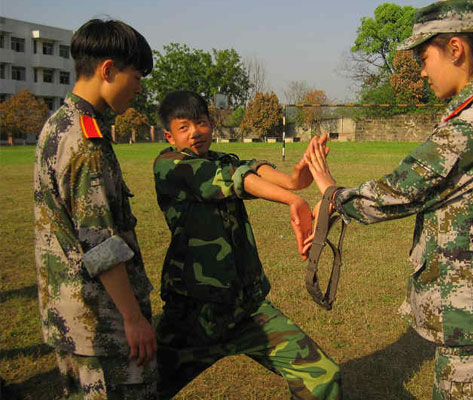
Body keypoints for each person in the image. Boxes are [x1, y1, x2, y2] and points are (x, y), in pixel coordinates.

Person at [304, 1, 473, 399]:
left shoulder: (470, 126)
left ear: (455, 49)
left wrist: (331, 193)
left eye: (425, 57)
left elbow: (397, 192)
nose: (422, 71)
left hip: (469, 313)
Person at [153, 90, 342, 400]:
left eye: (201, 123)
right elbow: (230, 178)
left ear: (212, 125)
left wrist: (295, 180)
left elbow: (249, 168)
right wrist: (291, 199)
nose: (195, 132)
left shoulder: (220, 159)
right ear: (169, 135)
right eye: (184, 127)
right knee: (138, 389)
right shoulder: (170, 166)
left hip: (246, 309)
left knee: (322, 375)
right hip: (193, 317)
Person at [33, 19, 158, 399]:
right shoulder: (85, 142)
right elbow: (100, 245)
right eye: (136, 76)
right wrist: (133, 318)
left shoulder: (58, 124)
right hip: (102, 325)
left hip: (71, 316)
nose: (139, 87)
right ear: (108, 70)